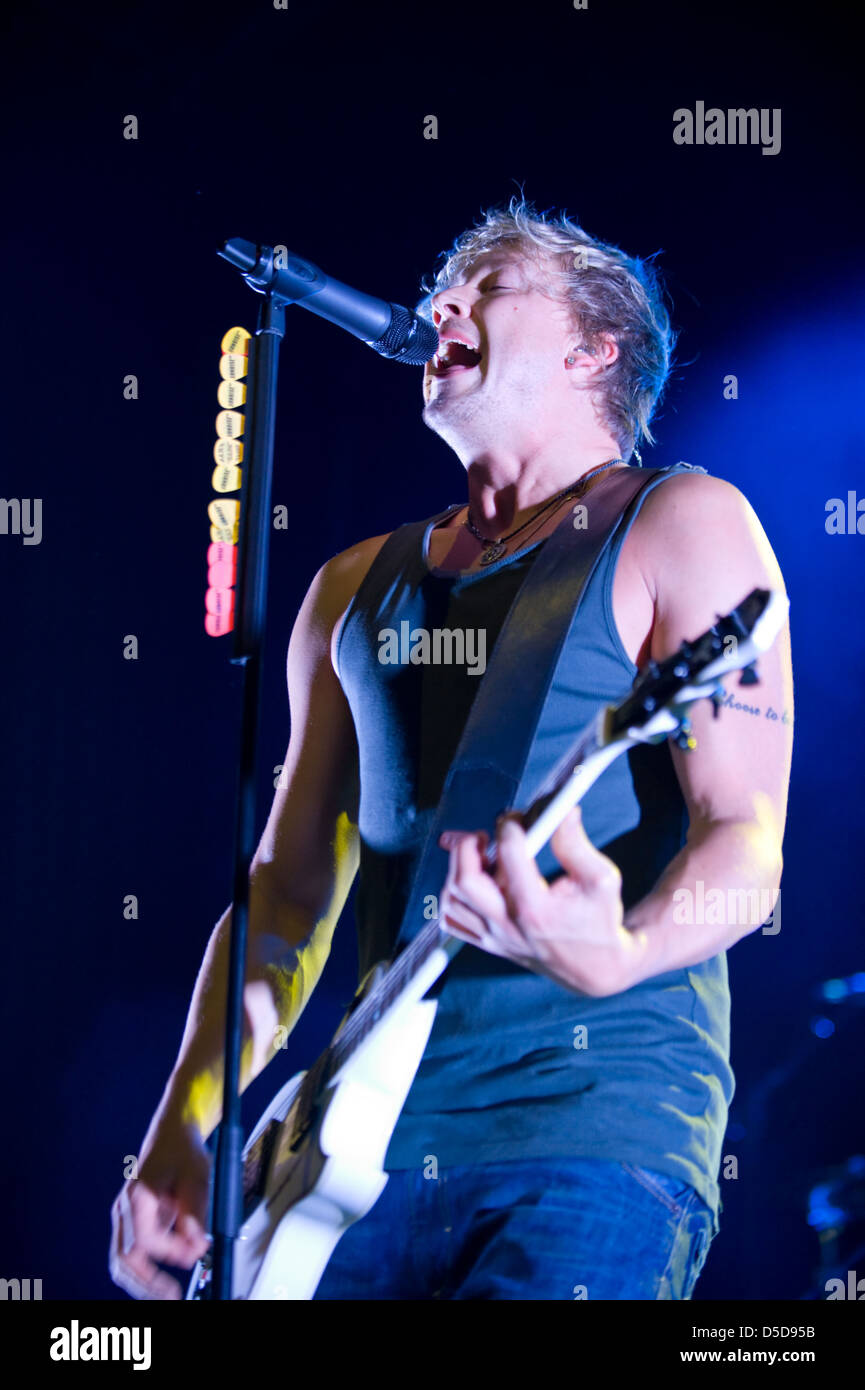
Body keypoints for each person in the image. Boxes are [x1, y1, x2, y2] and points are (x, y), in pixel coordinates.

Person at [109, 199, 793, 1300]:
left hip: (592, 1138)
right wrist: (185, 1120)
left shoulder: (684, 522)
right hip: (344, 1151)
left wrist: (615, 948)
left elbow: (747, 850)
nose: (440, 303)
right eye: (440, 284)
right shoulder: (348, 586)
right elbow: (285, 901)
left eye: (486, 282)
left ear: (591, 348)